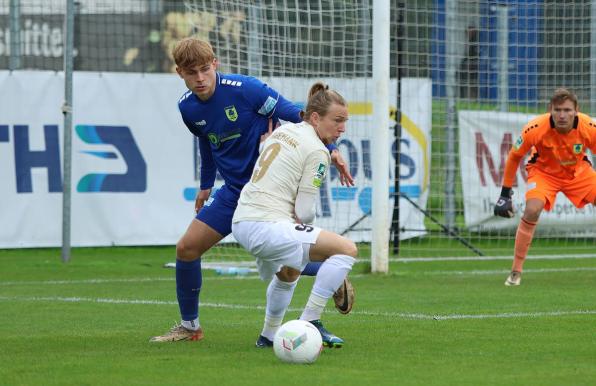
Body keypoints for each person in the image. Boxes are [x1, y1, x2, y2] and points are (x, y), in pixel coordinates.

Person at [150, 38, 354, 342]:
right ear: (180, 73)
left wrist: (332, 146)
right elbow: (207, 142)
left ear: (215, 64)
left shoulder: (246, 89)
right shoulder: (187, 107)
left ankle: (328, 271)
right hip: (234, 192)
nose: (200, 78)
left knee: (283, 267)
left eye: (205, 69)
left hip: (270, 192)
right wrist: (206, 184)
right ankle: (190, 327)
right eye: (192, 72)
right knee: (187, 248)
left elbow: (296, 113)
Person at [232, 82, 357, 348]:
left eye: (345, 121)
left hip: (242, 221)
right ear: (315, 117)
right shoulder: (318, 151)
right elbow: (304, 211)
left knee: (290, 271)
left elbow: (264, 155)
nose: (342, 128)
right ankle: (310, 321)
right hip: (268, 225)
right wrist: (305, 226)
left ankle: (267, 336)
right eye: (337, 120)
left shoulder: (284, 130)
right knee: (346, 249)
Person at [494, 88, 596, 286]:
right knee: (532, 209)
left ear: (577, 110)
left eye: (567, 110)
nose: (562, 115)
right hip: (543, 173)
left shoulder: (589, 126)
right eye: (557, 110)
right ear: (550, 110)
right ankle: (516, 271)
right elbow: (514, 156)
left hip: (578, 172)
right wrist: (505, 193)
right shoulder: (535, 128)